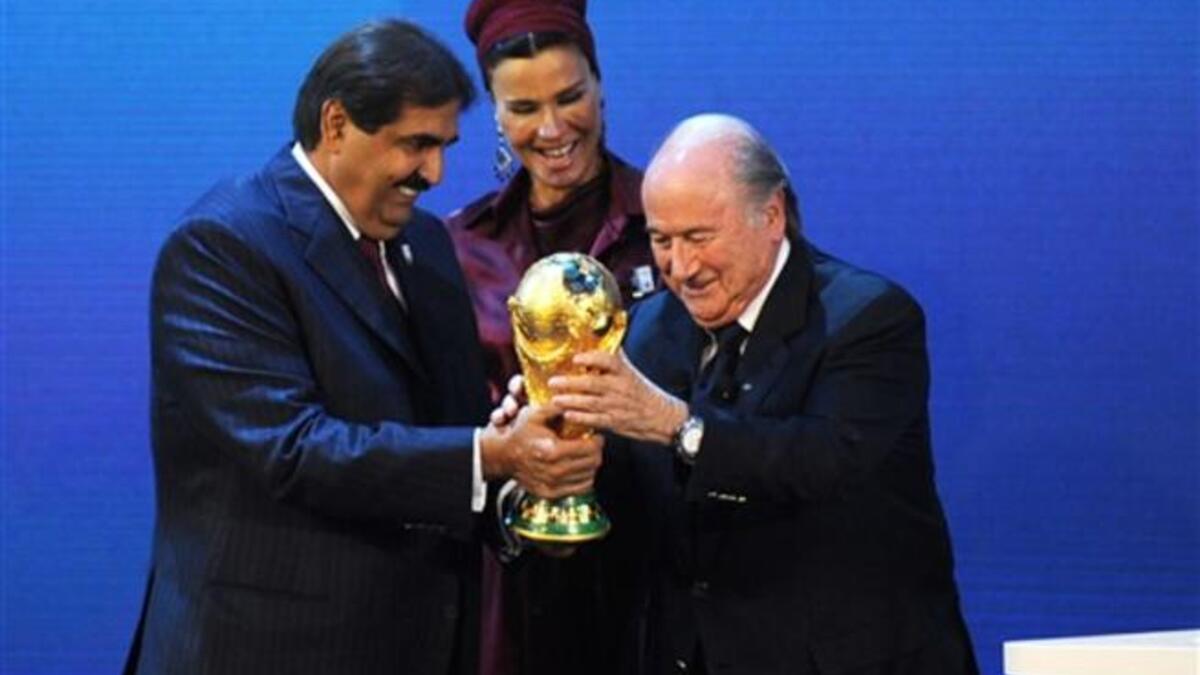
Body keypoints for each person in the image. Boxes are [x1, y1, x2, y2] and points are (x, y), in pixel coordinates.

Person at [124, 20, 602, 675]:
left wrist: (526, 480)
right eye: (415, 144)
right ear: (337, 124)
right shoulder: (223, 246)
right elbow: (293, 450)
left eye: (444, 146)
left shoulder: (428, 247)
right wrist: (490, 454)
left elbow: (448, 436)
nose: (434, 172)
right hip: (268, 651)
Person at [546, 114, 980, 674]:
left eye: (699, 238)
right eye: (661, 240)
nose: (681, 268)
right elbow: (631, 498)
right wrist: (560, 451)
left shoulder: (867, 320)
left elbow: (820, 460)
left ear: (771, 216)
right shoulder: (650, 329)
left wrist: (679, 428)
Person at [446, 2, 655, 674]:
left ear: (601, 86)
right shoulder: (457, 248)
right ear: (496, 114)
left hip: (657, 579)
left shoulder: (671, 224)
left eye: (571, 97)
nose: (553, 128)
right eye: (524, 108)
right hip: (511, 590)